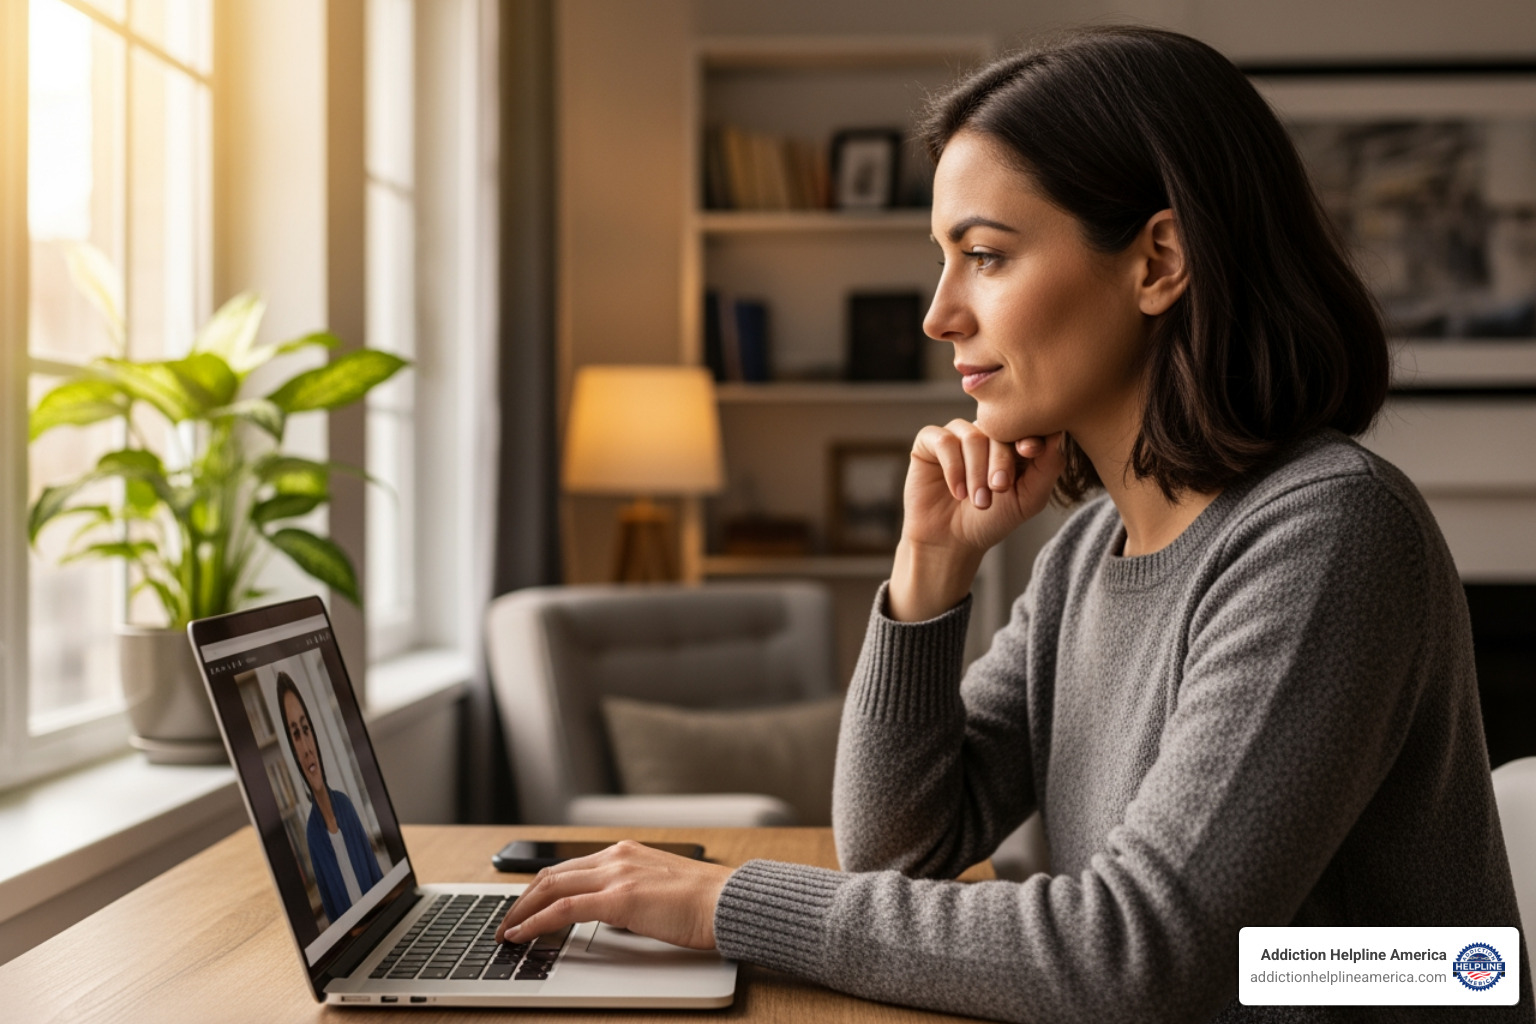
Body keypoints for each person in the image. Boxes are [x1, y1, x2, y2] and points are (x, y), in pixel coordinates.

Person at [495, 26, 1533, 1022]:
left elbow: (1138, 954)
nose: (940, 312)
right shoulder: (1089, 551)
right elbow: (900, 848)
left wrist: (722, 902)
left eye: (985, 255)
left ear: (1158, 261)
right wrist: (927, 576)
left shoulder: (1328, 536)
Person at [276, 671, 384, 923]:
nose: (305, 747)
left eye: (305, 729)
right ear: (293, 750)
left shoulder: (345, 806)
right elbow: (334, 918)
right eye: (295, 735)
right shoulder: (313, 835)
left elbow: (377, 877)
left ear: (314, 734)